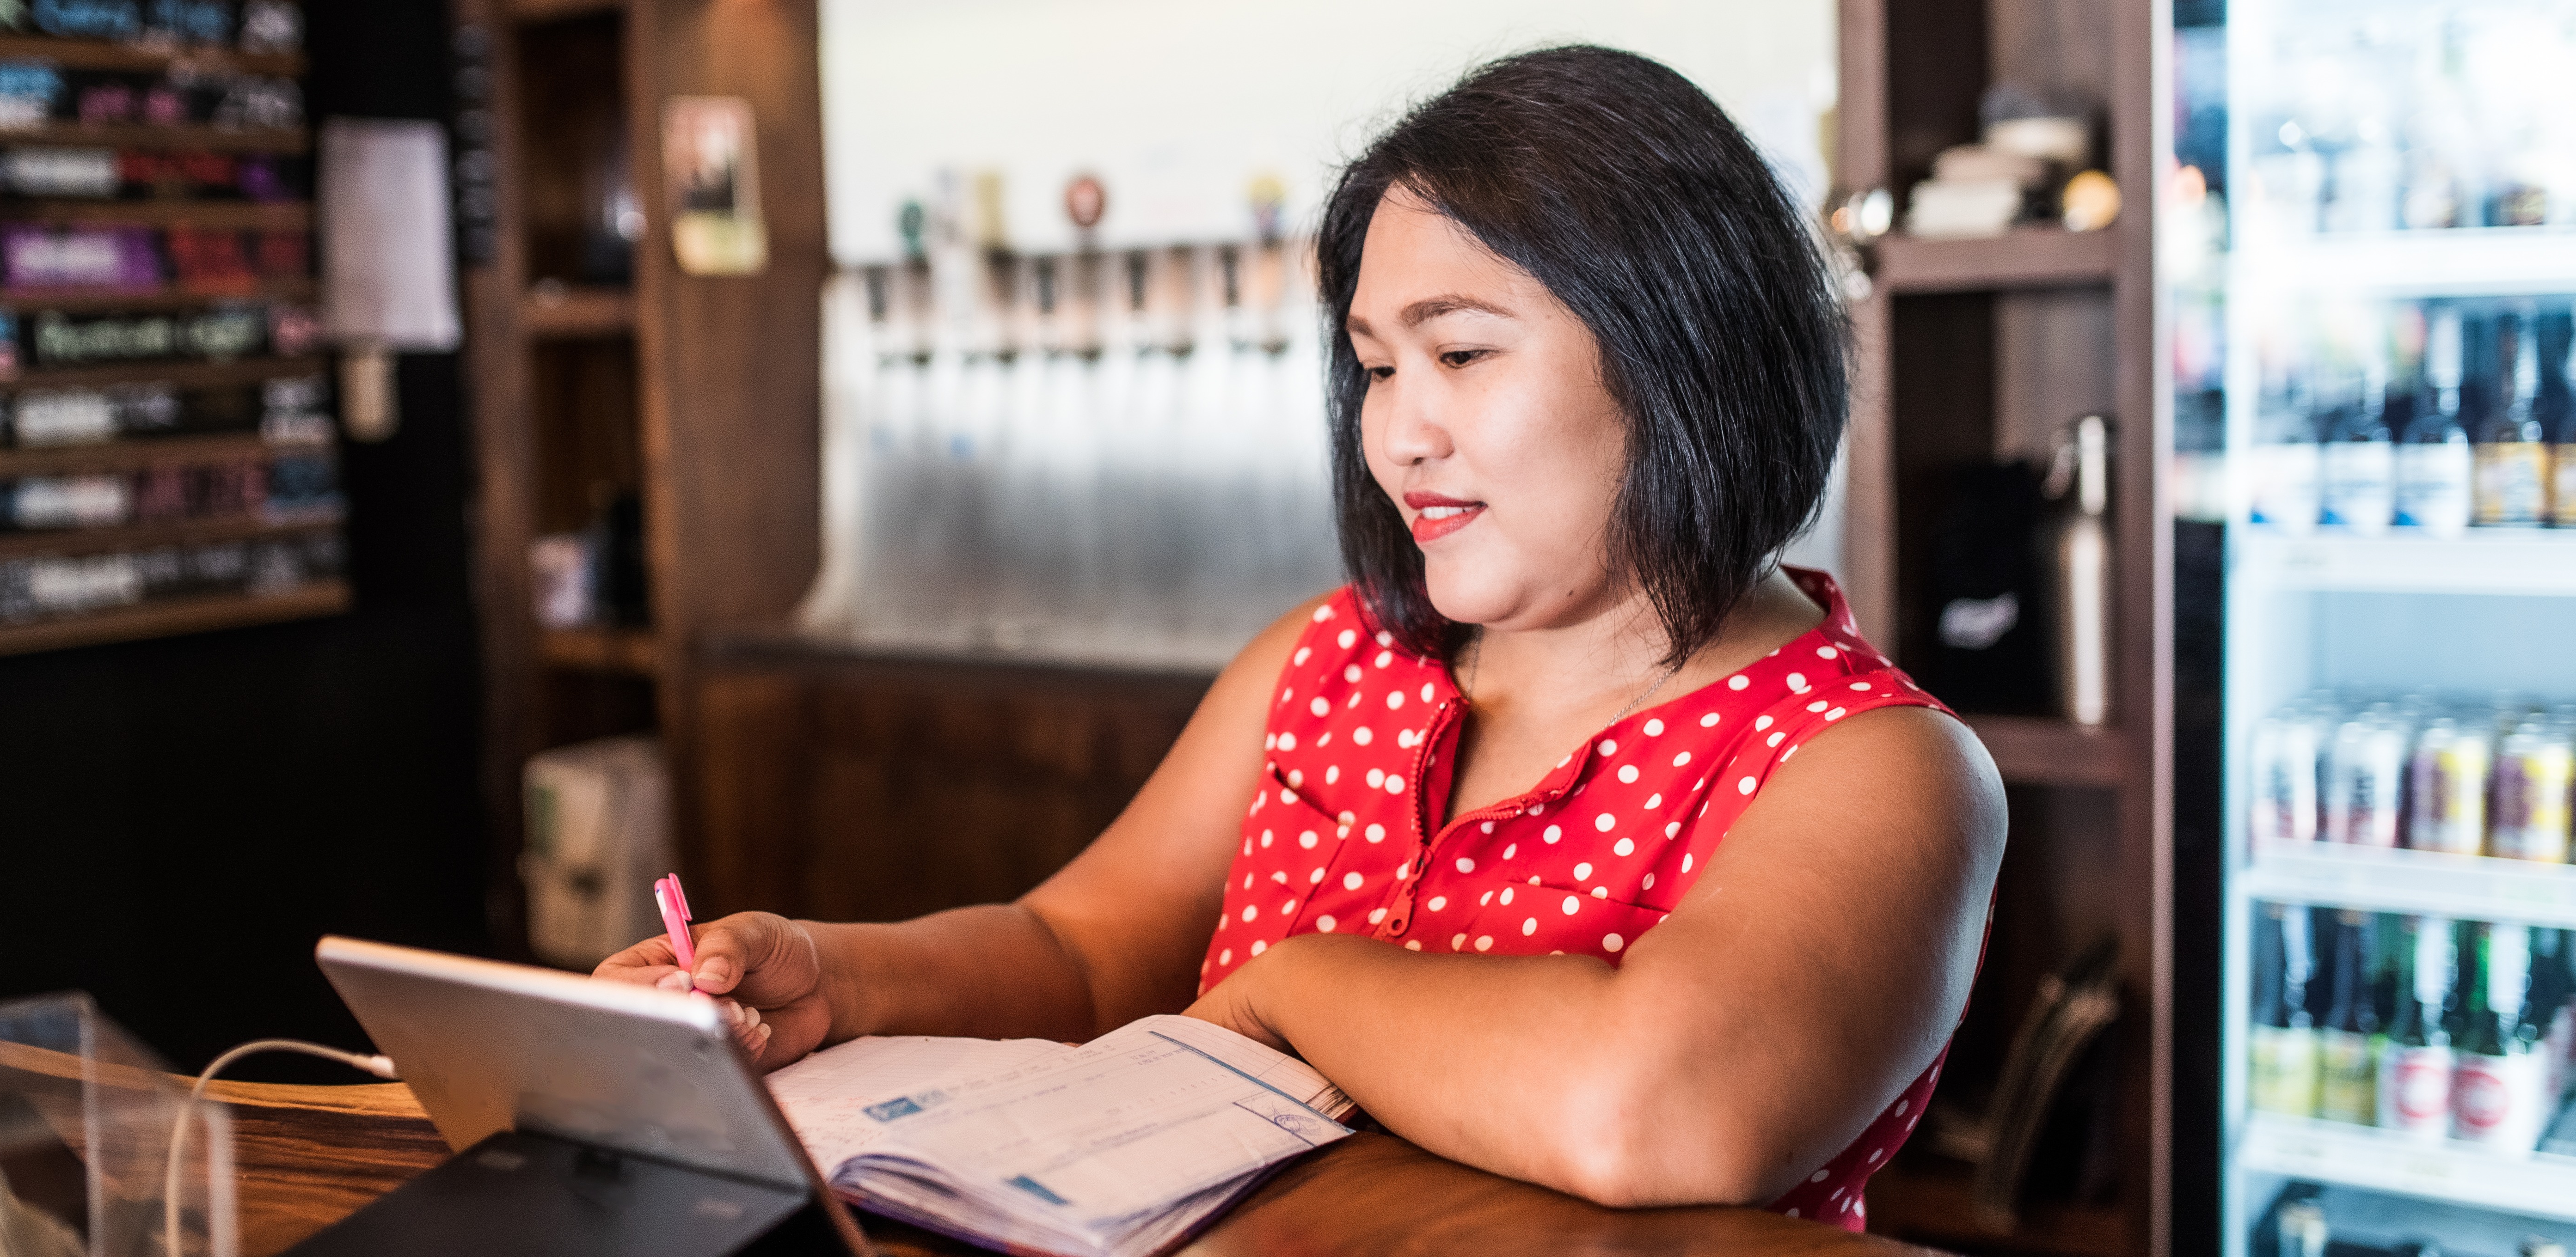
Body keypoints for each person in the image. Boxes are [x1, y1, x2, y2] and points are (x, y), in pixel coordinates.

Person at [597, 45, 2004, 1225]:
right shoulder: (1329, 664)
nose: (1400, 430)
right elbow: (1080, 954)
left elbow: (1662, 1112)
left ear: (1687, 347)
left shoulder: (1878, 772)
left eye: (1459, 353)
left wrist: (1298, 987)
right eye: (1377, 366)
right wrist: (833, 980)